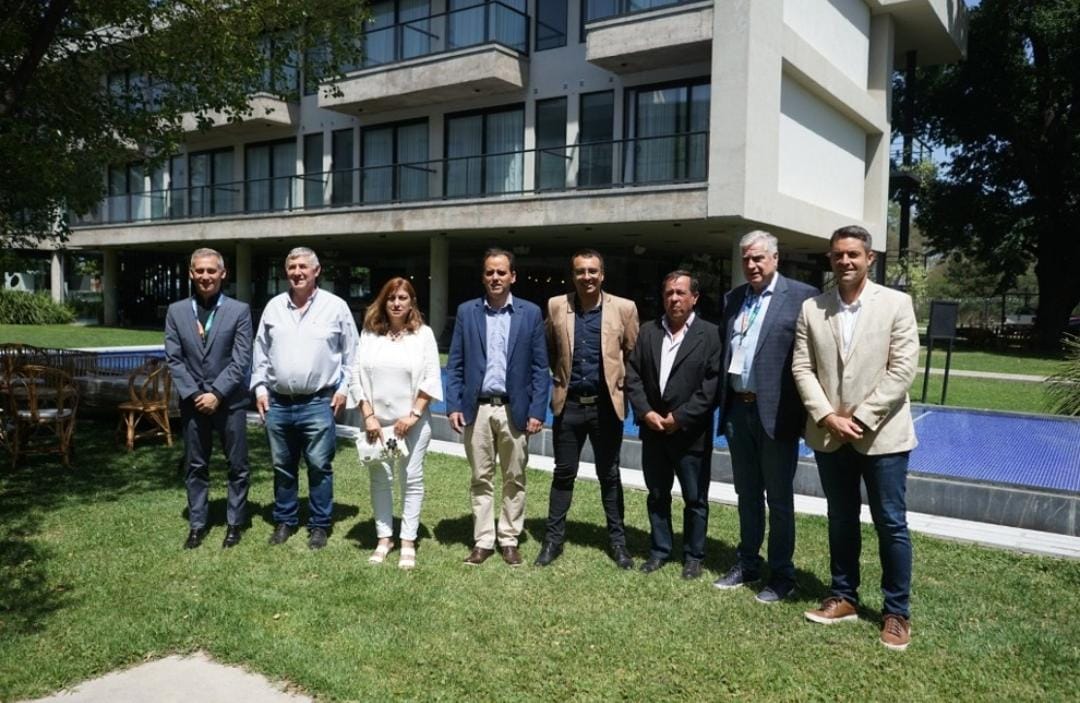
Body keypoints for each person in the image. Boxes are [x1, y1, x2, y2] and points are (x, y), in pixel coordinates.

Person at [792, 225, 919, 651]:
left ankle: (896, 612)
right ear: (830, 259)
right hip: (830, 434)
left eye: (853, 254)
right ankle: (844, 596)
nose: (845, 261)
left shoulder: (897, 304)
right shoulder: (813, 308)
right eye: (838, 255)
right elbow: (802, 367)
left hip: (883, 436)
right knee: (841, 518)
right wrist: (827, 416)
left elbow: (902, 370)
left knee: (890, 523)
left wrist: (860, 418)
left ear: (870, 258)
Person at [713, 231, 818, 602]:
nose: (751, 265)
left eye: (758, 258)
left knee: (779, 499)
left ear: (775, 258)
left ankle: (782, 574)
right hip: (738, 410)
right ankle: (748, 563)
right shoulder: (734, 298)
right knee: (746, 494)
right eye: (746, 259)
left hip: (776, 413)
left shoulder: (802, 297)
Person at [445, 248, 549, 567]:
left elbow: (540, 368)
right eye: (490, 272)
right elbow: (455, 364)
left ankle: (509, 538)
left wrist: (537, 411)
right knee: (481, 476)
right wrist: (453, 405)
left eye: (501, 272)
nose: (495, 277)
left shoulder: (530, 314)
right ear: (483, 276)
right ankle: (483, 540)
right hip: (476, 410)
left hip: (513, 410)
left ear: (512, 276)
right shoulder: (467, 312)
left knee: (514, 476)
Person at [535, 249, 639, 569]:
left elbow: (632, 354)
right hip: (569, 406)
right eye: (580, 271)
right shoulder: (556, 305)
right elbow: (549, 350)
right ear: (573, 275)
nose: (587, 277)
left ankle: (618, 542)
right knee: (563, 473)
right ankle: (553, 541)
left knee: (609, 475)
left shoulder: (624, 308)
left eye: (592, 271)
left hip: (606, 407)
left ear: (602, 274)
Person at [251, 247, 358, 550]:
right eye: (292, 267)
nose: (297, 272)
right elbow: (260, 352)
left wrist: (344, 389)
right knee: (282, 465)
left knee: (319, 465)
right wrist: (260, 389)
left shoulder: (336, 307)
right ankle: (285, 520)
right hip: (278, 402)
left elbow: (353, 354)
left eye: (303, 267)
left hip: (318, 402)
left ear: (316, 271)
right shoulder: (274, 307)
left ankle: (319, 525)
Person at [625, 271, 721, 579]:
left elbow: (711, 387)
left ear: (694, 297)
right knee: (657, 494)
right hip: (653, 431)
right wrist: (645, 412)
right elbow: (633, 376)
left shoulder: (711, 335)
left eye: (681, 293)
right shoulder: (648, 332)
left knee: (695, 499)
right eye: (669, 293)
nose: (674, 298)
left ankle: (693, 556)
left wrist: (680, 418)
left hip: (690, 434)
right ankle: (660, 550)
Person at [348, 277, 442, 570]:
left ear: (412, 302)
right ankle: (384, 538)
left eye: (403, 298)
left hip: (412, 424)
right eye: (391, 298)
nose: (397, 303)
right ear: (383, 301)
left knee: (411, 479)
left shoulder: (423, 335)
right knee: (380, 480)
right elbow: (355, 375)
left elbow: (431, 377)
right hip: (376, 425)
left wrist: (412, 415)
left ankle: (408, 540)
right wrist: (368, 416)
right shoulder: (369, 334)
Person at [164, 248, 253, 549]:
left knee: (237, 465)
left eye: (211, 271)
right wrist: (195, 394)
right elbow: (174, 359)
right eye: (199, 271)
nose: (205, 276)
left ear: (222, 273)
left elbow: (241, 360)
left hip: (230, 402)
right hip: (193, 404)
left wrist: (216, 393)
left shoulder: (239, 311)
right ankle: (197, 524)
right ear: (191, 273)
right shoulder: (176, 311)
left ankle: (234, 523)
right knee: (195, 465)